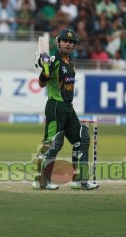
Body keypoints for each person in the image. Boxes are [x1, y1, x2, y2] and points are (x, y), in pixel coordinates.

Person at [33, 28, 99, 190]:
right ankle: (41, 181)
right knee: (52, 143)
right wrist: (45, 71)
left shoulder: (71, 61)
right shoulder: (53, 58)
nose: (68, 44)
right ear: (59, 42)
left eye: (72, 42)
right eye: (65, 41)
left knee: (81, 140)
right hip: (55, 106)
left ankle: (80, 180)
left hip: (68, 107)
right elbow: (42, 83)